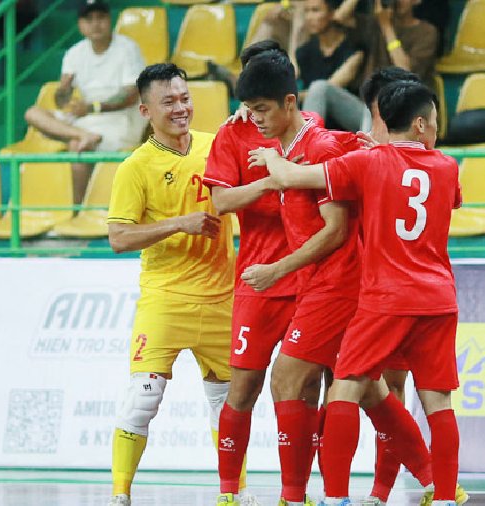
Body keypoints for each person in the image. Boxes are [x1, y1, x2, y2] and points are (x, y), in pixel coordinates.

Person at [249, 80, 462, 505]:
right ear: (420, 125)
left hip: (386, 298)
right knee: (438, 400)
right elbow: (444, 200)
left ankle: (335, 497)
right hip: (438, 300)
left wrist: (272, 155)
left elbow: (291, 176)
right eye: (435, 123)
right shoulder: (447, 166)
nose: (436, 130)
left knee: (345, 387)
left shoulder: (369, 162)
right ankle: (442, 497)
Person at [230, 50, 362, 506]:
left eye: (262, 110)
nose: (255, 120)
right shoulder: (286, 145)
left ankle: (298, 496)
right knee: (370, 393)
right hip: (318, 283)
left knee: (288, 380)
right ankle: (434, 485)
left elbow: (337, 229)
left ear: (290, 102)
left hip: (336, 282)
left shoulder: (316, 147)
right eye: (249, 111)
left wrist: (276, 269)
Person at [104, 63, 236, 506]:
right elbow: (119, 237)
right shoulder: (134, 168)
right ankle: (120, 495)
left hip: (223, 297)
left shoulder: (216, 146)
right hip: (165, 299)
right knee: (144, 398)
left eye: (185, 98)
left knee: (228, 406)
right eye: (169, 102)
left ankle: (230, 495)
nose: (181, 108)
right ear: (145, 110)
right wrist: (180, 224)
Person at [204, 41, 323, 506]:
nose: (254, 111)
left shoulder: (312, 129)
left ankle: (296, 493)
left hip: (307, 278)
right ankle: (229, 492)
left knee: (307, 386)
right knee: (245, 385)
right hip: (257, 279)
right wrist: (273, 179)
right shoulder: (232, 135)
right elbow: (221, 202)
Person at [355, 67, 468, 506]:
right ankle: (419, 485)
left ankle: (385, 492)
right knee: (385, 391)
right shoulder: (366, 150)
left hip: (388, 291)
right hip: (390, 288)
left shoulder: (374, 156)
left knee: (383, 388)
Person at [23, 0, 147, 204]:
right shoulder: (75, 53)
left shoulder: (127, 48)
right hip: (89, 122)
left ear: (110, 20)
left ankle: (78, 209)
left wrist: (92, 107)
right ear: (81, 25)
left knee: (77, 146)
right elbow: (61, 99)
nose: (95, 24)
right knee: (32, 113)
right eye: (89, 19)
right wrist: (65, 93)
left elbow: (131, 95)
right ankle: (84, 135)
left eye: (101, 18)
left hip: (122, 120)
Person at [297, 0, 369, 132]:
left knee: (319, 88)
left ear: (332, 13)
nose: (309, 17)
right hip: (319, 117)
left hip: (354, 117)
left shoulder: (353, 48)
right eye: (306, 11)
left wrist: (290, 96)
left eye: (315, 10)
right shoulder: (304, 51)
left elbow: (329, 88)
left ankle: (305, 144)